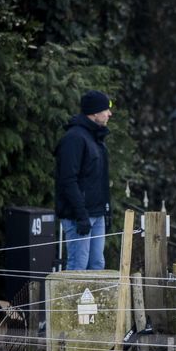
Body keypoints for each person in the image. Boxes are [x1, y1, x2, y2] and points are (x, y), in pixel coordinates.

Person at [54, 90, 113, 270]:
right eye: (106, 109)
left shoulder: (96, 139)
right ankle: (71, 300)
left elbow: (100, 180)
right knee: (78, 267)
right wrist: (81, 214)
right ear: (95, 112)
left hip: (97, 214)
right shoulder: (74, 138)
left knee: (97, 265)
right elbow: (67, 180)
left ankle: (95, 300)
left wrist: (106, 211)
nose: (109, 114)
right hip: (78, 216)